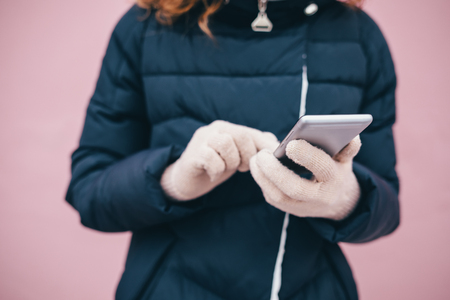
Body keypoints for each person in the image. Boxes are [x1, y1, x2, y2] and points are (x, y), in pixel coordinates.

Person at [65, 0, 400, 299]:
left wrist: (346, 198)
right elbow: (89, 192)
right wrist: (172, 180)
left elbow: (388, 209)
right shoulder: (144, 26)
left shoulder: (359, 34)